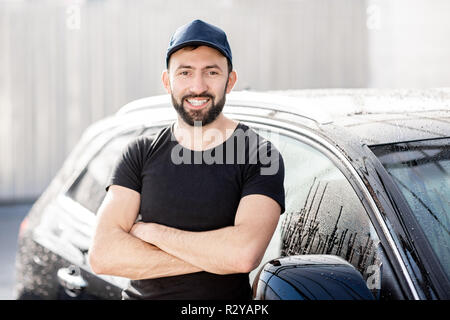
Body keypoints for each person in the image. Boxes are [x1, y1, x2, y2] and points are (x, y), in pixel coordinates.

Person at [88, 19, 285, 300]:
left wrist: (153, 233)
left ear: (230, 81)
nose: (198, 86)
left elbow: (242, 256)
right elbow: (103, 255)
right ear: (168, 82)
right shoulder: (140, 153)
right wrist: (216, 258)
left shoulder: (259, 155)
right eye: (185, 72)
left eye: (211, 72)